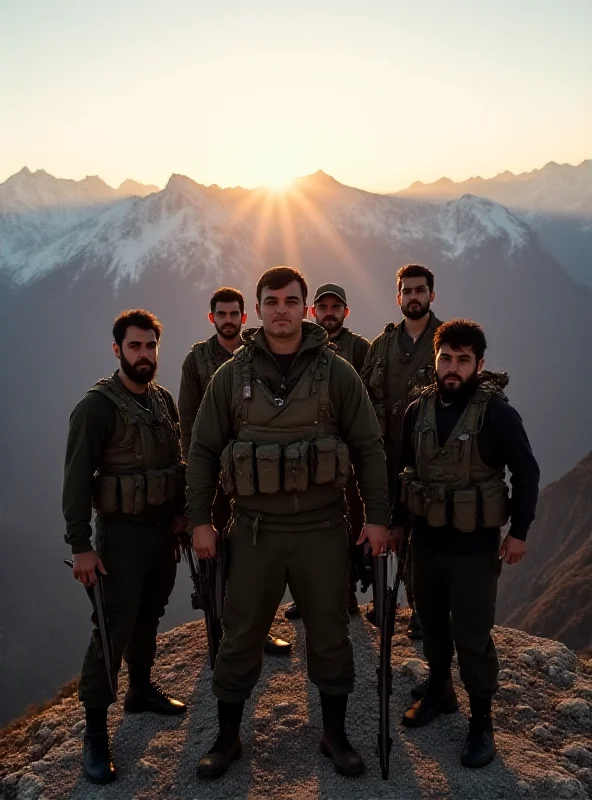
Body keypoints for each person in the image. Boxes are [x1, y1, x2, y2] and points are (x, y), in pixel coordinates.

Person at [187, 266, 389, 780]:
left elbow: (367, 448)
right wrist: (201, 522)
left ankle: (334, 733)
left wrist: (378, 519)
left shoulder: (338, 373)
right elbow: (204, 451)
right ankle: (227, 736)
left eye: (291, 300)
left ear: (305, 308)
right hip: (253, 529)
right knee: (239, 635)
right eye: (272, 301)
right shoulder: (230, 376)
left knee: (330, 635)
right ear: (258, 310)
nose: (282, 309)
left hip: (322, 529)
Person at [391, 319, 540, 768]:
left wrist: (519, 532)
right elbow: (404, 473)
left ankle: (481, 722)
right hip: (426, 544)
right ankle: (440, 692)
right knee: (432, 626)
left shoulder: (497, 413)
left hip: (475, 549)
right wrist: (398, 526)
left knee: (472, 638)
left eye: (463, 360)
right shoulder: (418, 412)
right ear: (435, 360)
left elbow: (526, 473)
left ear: (479, 363)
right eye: (446, 358)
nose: (452, 368)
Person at [63, 310, 187, 785]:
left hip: (160, 532)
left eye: (151, 347)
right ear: (117, 350)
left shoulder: (162, 401)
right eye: (135, 347)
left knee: (149, 613)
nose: (144, 355)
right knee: (112, 626)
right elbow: (75, 480)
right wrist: (80, 546)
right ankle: (95, 734)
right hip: (119, 536)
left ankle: (139, 690)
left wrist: (178, 514)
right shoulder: (97, 407)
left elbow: (173, 463)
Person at [178, 287, 291, 656]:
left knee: (255, 560)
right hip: (215, 477)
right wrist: (194, 487)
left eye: (234, 314)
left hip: (254, 476)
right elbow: (189, 428)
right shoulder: (196, 361)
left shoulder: (260, 355)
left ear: (246, 317)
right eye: (221, 315)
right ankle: (221, 630)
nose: (228, 321)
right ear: (212, 318)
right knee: (215, 561)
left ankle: (257, 629)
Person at [362, 264, 442, 638]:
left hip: (428, 461)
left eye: (420, 290)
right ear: (398, 298)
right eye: (407, 291)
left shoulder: (446, 344)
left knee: (422, 538)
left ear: (431, 295)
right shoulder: (382, 345)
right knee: (384, 531)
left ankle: (424, 613)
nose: (413, 296)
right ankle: (383, 603)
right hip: (384, 456)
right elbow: (362, 399)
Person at [284, 282, 370, 620]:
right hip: (307, 457)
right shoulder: (300, 347)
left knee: (349, 526)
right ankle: (306, 597)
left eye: (336, 307)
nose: (329, 313)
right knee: (305, 527)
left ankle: (346, 597)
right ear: (312, 311)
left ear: (345, 312)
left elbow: (368, 400)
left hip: (347, 457)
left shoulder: (360, 349)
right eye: (323, 307)